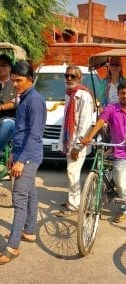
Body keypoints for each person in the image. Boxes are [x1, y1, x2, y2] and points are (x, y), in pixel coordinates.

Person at [0, 61, 46, 265]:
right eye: (13, 80)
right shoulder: (24, 98)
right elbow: (20, 130)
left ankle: (12, 247)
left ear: (30, 80)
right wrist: (14, 153)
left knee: (19, 199)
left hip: (29, 156)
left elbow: (35, 135)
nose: (15, 84)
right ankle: (30, 231)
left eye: (18, 80)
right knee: (30, 193)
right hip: (22, 153)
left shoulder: (35, 101)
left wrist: (22, 161)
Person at [81, 83, 126, 223]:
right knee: (121, 184)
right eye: (123, 93)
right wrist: (89, 137)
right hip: (119, 151)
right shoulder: (112, 108)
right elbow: (101, 121)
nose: (125, 96)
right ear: (118, 94)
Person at [54, 65, 95, 217]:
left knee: (72, 172)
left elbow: (85, 124)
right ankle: (73, 200)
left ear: (80, 78)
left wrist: (78, 147)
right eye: (67, 76)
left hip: (79, 143)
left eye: (73, 76)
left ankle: (74, 205)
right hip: (69, 140)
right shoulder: (69, 94)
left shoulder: (84, 96)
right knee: (72, 172)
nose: (69, 79)